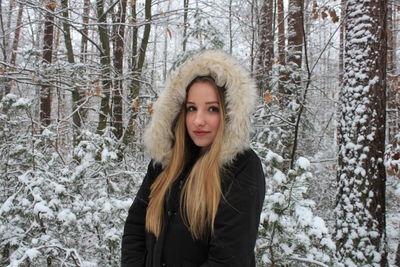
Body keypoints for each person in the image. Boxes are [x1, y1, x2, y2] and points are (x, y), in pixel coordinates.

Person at [121, 50, 265, 267]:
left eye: (212, 109)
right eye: (191, 108)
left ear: (230, 114)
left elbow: (228, 259)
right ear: (179, 112)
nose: (198, 120)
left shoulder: (241, 166)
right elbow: (135, 229)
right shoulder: (165, 162)